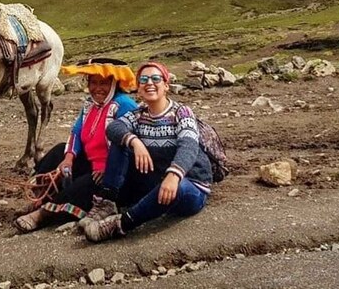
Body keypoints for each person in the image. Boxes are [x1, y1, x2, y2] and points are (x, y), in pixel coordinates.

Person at [83, 61, 212, 242]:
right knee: (121, 142)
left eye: (155, 78)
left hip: (189, 183)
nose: (149, 83)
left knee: (179, 188)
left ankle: (120, 224)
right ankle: (107, 202)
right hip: (155, 179)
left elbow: (189, 146)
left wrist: (174, 175)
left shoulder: (182, 113)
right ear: (139, 88)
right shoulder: (139, 113)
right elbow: (113, 128)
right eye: (143, 79)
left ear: (166, 85)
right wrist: (134, 141)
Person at [14, 59, 137, 232]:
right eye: (93, 82)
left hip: (113, 173)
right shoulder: (89, 105)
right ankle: (41, 199)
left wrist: (109, 168)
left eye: (103, 83)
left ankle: (43, 214)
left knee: (86, 184)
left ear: (114, 84)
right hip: (91, 162)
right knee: (59, 151)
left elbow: (130, 145)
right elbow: (77, 132)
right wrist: (69, 158)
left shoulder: (125, 105)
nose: (97, 88)